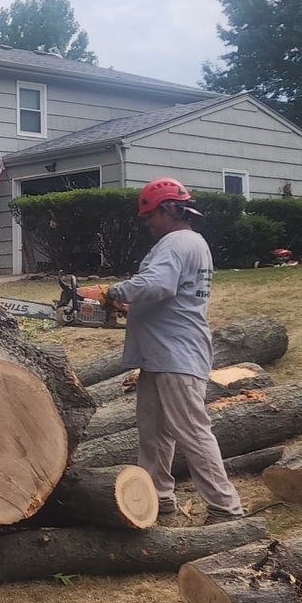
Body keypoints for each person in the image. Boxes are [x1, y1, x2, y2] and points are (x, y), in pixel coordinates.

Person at [81, 179, 245, 524]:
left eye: (150, 216)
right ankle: (158, 497)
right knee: (153, 432)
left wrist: (111, 292)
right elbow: (169, 294)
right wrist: (130, 306)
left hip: (176, 354)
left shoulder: (177, 242)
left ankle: (225, 507)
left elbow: (157, 284)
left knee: (191, 431)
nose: (148, 223)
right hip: (160, 354)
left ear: (171, 209)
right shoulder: (188, 243)